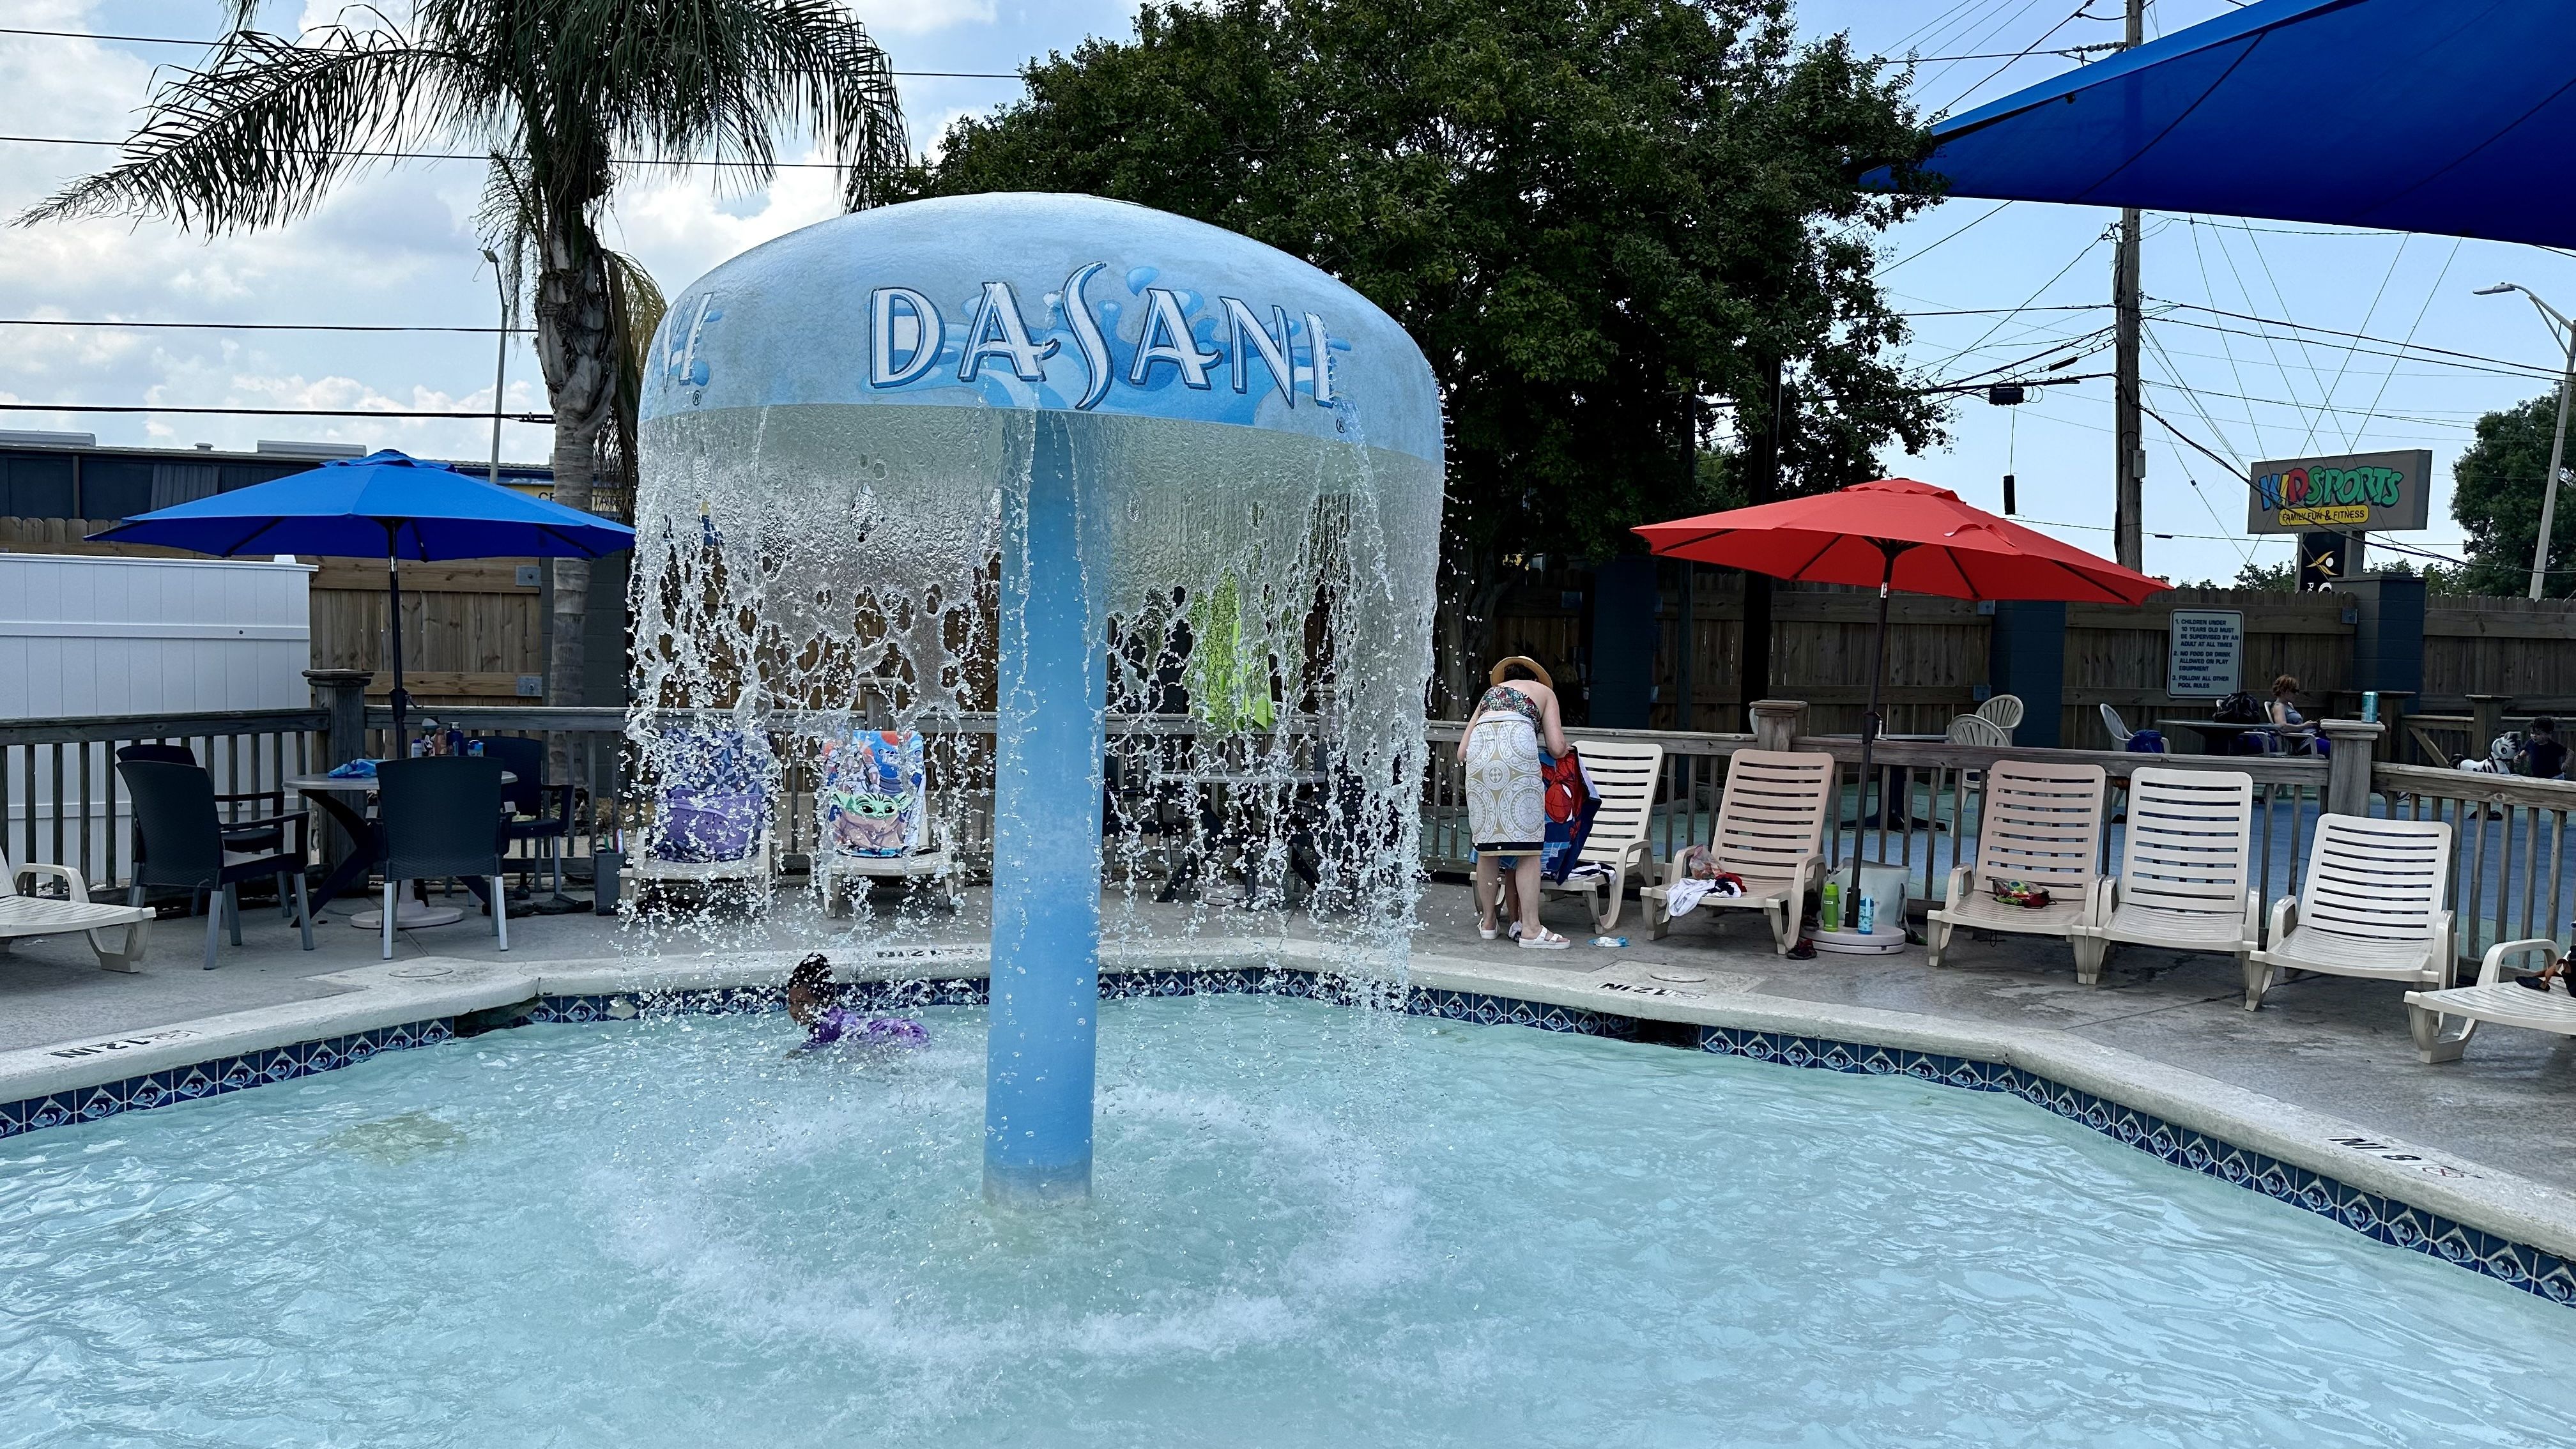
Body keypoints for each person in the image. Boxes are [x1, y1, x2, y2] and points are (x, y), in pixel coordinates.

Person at [1460, 656, 1571, 949]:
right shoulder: (1544, 692)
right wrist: (1565, 749)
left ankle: (1488, 922)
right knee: (1529, 850)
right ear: (1535, 678)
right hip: (1517, 759)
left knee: (1487, 848)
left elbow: (1462, 752)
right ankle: (1531, 929)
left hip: (1480, 761)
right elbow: (1557, 747)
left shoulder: (1490, 695)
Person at [785, 954, 927, 1051]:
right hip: (909, 1028)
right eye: (791, 1003)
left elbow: (804, 1056)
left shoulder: (826, 1026)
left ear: (823, 1001)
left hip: (904, 1032)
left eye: (802, 1004)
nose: (794, 1010)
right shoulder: (832, 1016)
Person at [2266, 675, 2327, 757]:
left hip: (2312, 736)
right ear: (2284, 690)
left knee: (2337, 743)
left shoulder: (2289, 705)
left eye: (2298, 691)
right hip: (2305, 742)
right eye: (2294, 691)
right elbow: (2283, 727)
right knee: (2333, 749)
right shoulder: (2279, 706)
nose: (2297, 694)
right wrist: (2304, 726)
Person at [2526, 717, 2567, 781]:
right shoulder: (2530, 743)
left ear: (2548, 734)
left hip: (2554, 777)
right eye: (2532, 733)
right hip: (2538, 778)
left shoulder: (2553, 747)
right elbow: (2526, 750)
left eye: (2538, 734)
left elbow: (2570, 753)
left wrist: (2566, 763)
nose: (2534, 736)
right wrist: (2519, 756)